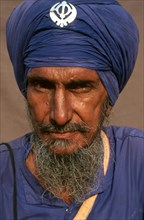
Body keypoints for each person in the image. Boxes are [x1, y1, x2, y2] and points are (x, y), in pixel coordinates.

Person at [0, 0, 143, 219]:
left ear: (109, 98)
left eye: (80, 87)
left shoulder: (138, 163)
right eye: (42, 86)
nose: (60, 115)